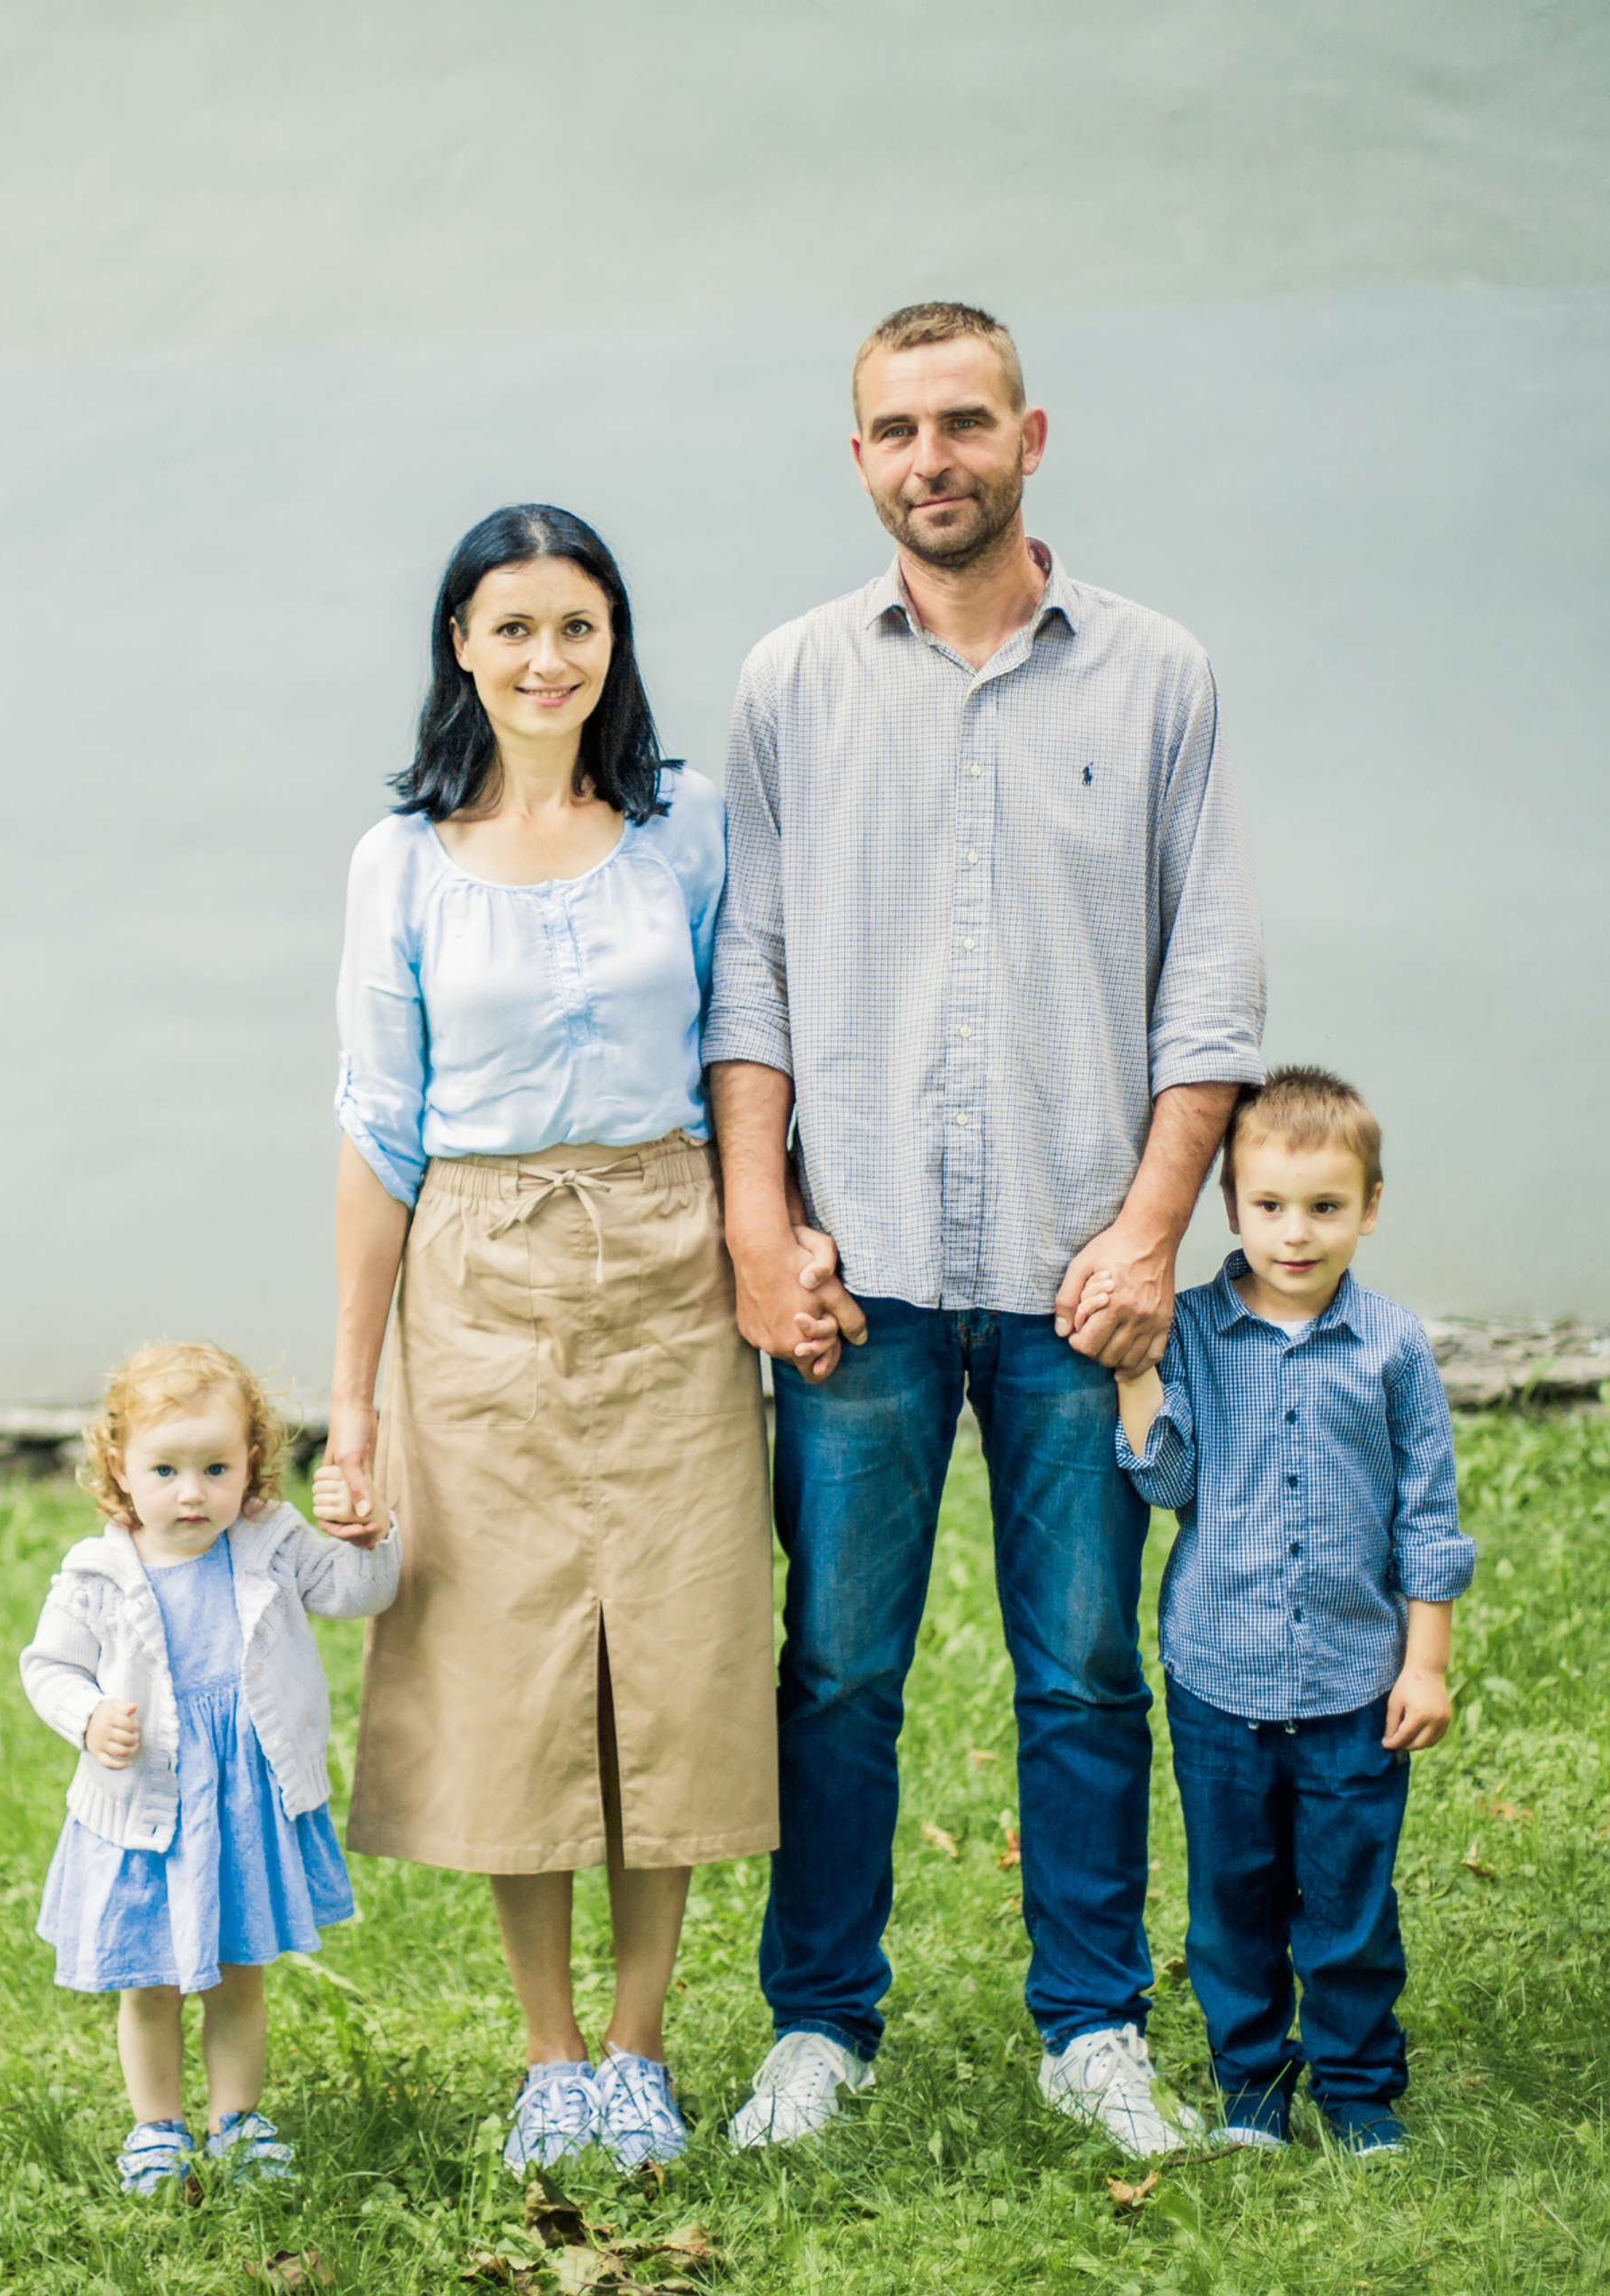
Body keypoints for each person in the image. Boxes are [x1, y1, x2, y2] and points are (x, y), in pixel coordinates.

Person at [708, 301, 1266, 2157]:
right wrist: (757, 1223)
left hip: (1076, 1278)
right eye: (892, 430)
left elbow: (1209, 979)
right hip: (851, 1280)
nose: (928, 458)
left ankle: (1090, 2023)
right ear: (853, 455)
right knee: (835, 1668)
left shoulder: (1157, 672)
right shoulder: (788, 677)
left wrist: (1149, 1231)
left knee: (1086, 1662)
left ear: (1031, 435)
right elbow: (752, 976)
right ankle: (818, 2021)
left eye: (961, 422)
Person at [318, 503, 789, 2174]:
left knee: (671, 1650)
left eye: (576, 627)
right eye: (512, 628)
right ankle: (549, 2055)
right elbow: (381, 1132)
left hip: (667, 1270)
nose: (546, 659)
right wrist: (352, 1404)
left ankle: (645, 2047)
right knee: (511, 1659)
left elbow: (747, 1043)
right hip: (482, 1281)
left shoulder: (690, 828)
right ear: (461, 645)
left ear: (615, 644)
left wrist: (764, 1237)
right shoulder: (402, 862)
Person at [1092, 1067, 1470, 2155]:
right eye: (1268, 1206)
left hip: (1357, 1682)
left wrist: (1425, 1662)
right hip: (1220, 1680)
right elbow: (1169, 1486)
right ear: (1228, 1205)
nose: (1294, 1234)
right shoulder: (1198, 1331)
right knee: (1234, 1904)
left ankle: (1356, 2089)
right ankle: (1251, 2087)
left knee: (1347, 1903)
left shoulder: (1393, 1348)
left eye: (1324, 1206)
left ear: (1370, 1205)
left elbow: (1427, 1516)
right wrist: (1134, 1380)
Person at [18, 1342, 397, 2194]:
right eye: (165, 1470)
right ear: (121, 1468)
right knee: (148, 1980)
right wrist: (86, 1718)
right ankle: (157, 2127)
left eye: (216, 1468)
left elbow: (357, 1592)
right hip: (147, 1803)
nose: (192, 1493)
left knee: (237, 1971)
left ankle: (237, 2119)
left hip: (242, 1802)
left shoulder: (269, 1543)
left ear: (252, 1464)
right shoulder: (98, 1573)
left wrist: (367, 1531)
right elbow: (47, 1666)